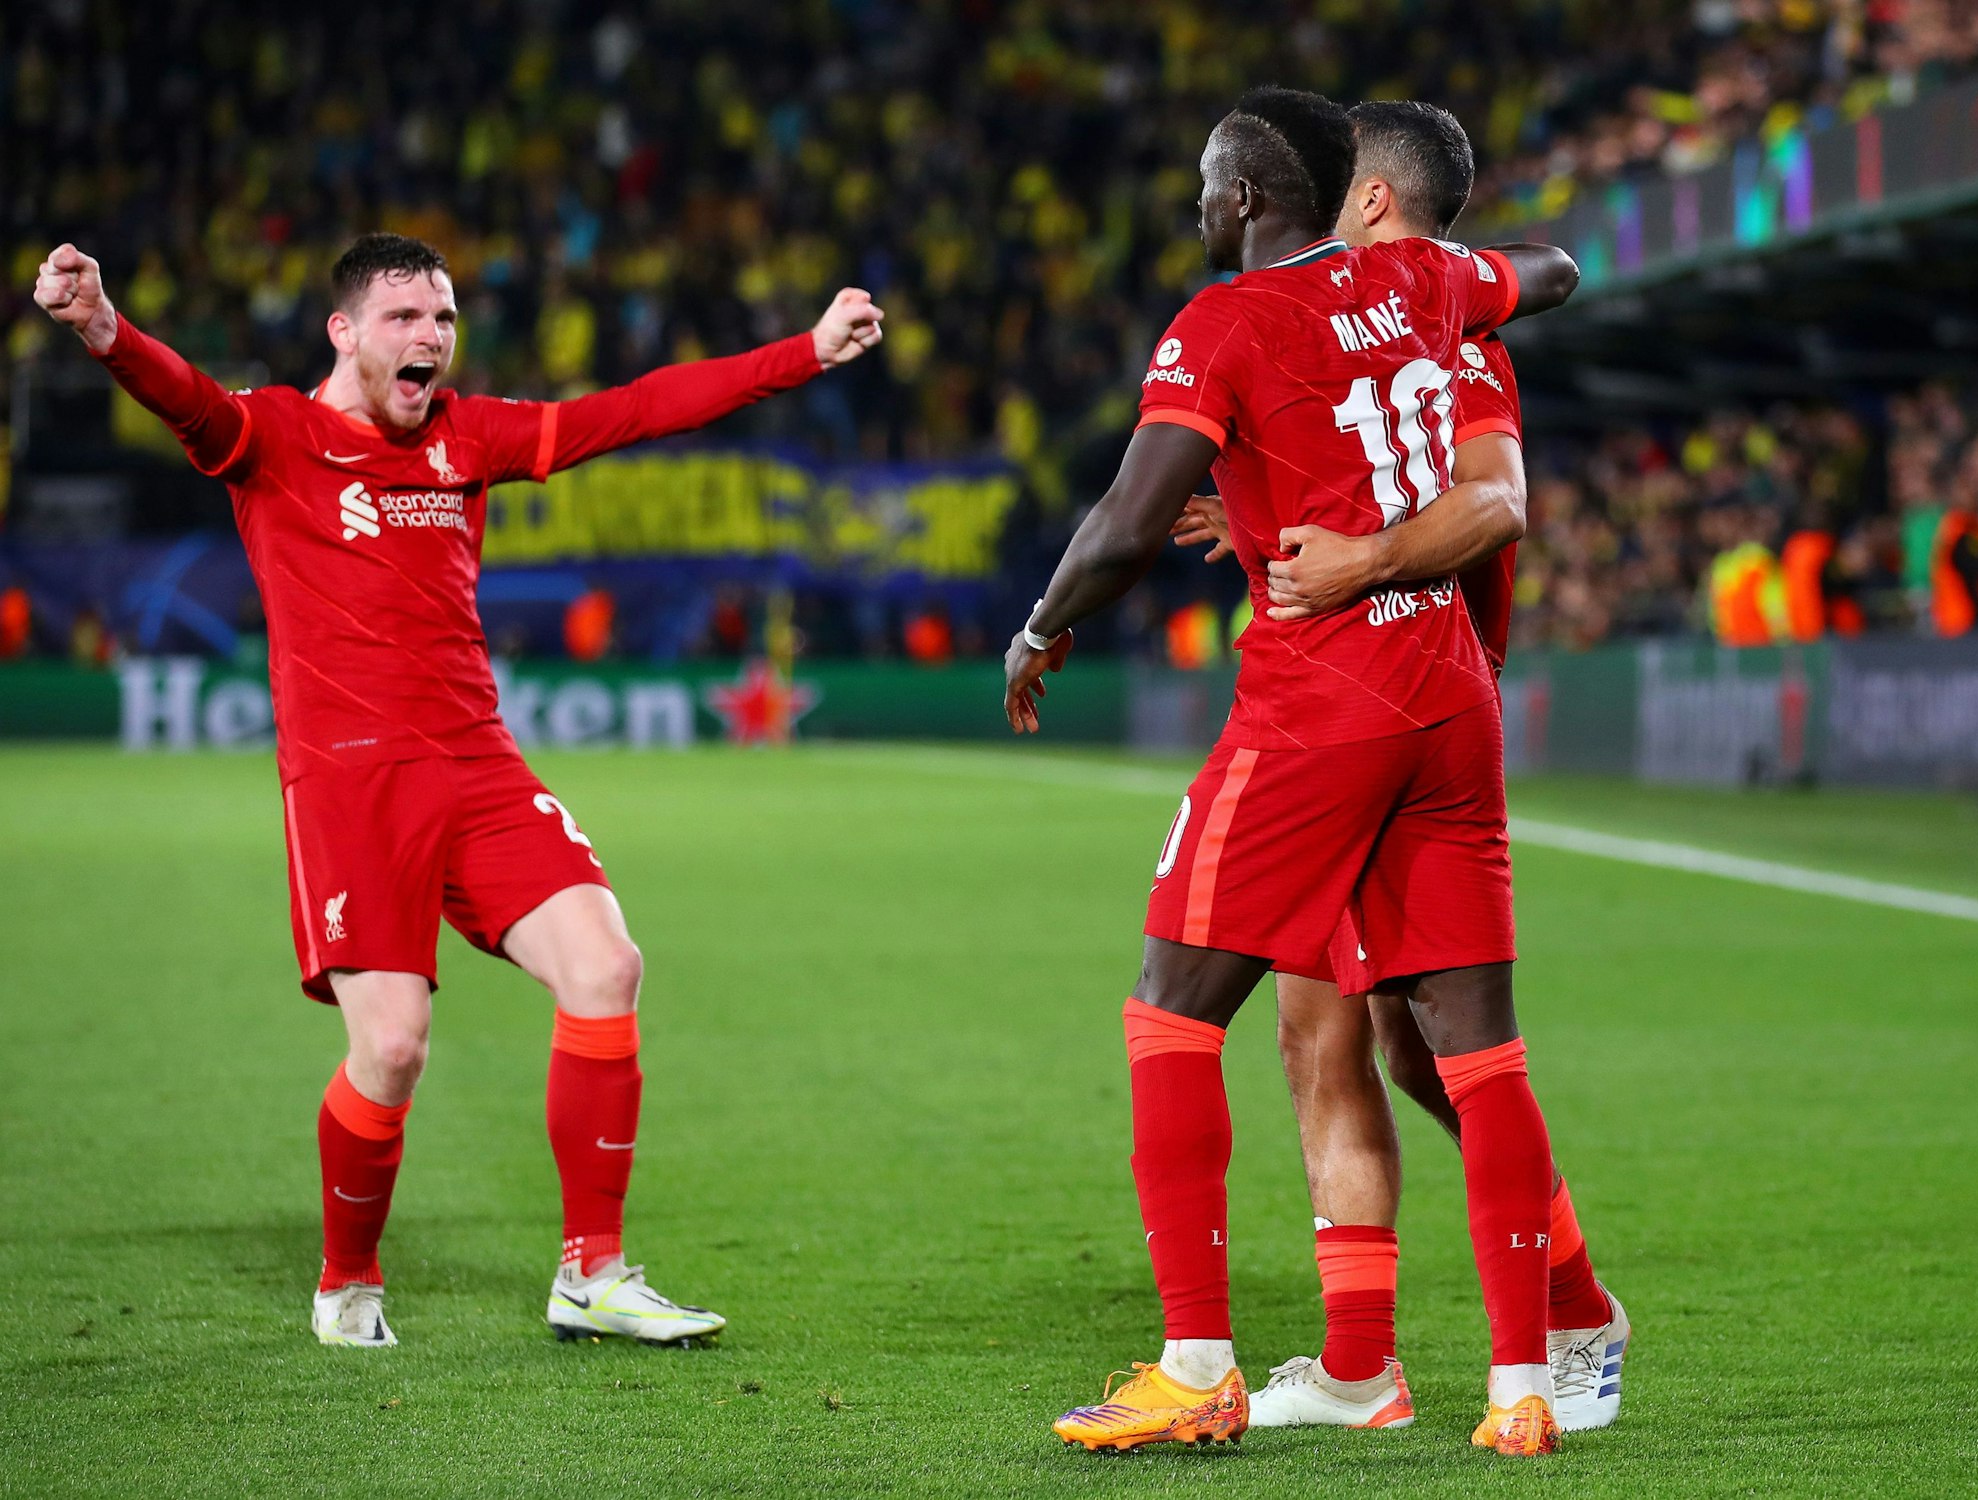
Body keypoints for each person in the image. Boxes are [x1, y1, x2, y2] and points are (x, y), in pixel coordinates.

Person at [34, 234, 883, 1349]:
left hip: (477, 766)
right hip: (350, 784)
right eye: (403, 318)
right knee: (390, 1048)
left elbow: (633, 410)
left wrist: (804, 354)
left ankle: (593, 1272)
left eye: (441, 317)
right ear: (344, 332)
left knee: (604, 966)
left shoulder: (467, 436)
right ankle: (346, 1281)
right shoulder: (278, 436)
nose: (429, 337)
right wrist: (100, 323)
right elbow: (184, 396)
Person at [1001, 87, 1581, 1456]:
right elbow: (1545, 271)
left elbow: (1127, 518)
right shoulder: (1431, 280)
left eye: (1211, 181)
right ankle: (1518, 1389)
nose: (1201, 204)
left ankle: (1195, 1363)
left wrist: (1040, 628)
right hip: (1451, 691)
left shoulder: (1225, 319)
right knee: (1470, 1043)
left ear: (1249, 195)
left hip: (1325, 696)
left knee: (1169, 1007)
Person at [1172, 101, 1628, 1438]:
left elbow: (1493, 500)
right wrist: (1256, 513)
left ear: (1372, 201)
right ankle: (1361, 1365)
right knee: (1318, 1037)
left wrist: (1362, 557)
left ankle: (1579, 1306)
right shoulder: (1357, 321)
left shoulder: (1456, 330)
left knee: (1429, 1055)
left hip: (1417, 715)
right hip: (1343, 715)